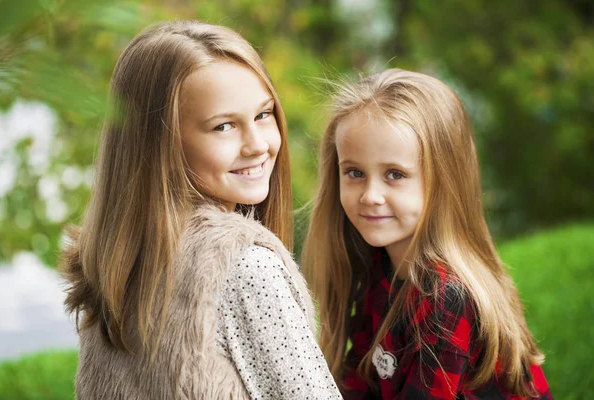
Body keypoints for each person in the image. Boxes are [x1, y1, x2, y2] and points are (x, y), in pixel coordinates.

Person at [61, 20, 341, 399]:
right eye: (223, 126)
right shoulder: (244, 266)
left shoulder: (115, 265)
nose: (258, 144)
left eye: (263, 114)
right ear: (161, 145)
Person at [302, 68, 552, 399]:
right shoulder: (377, 264)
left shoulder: (447, 299)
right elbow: (358, 383)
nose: (370, 195)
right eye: (355, 172)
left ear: (443, 181)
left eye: (394, 174)